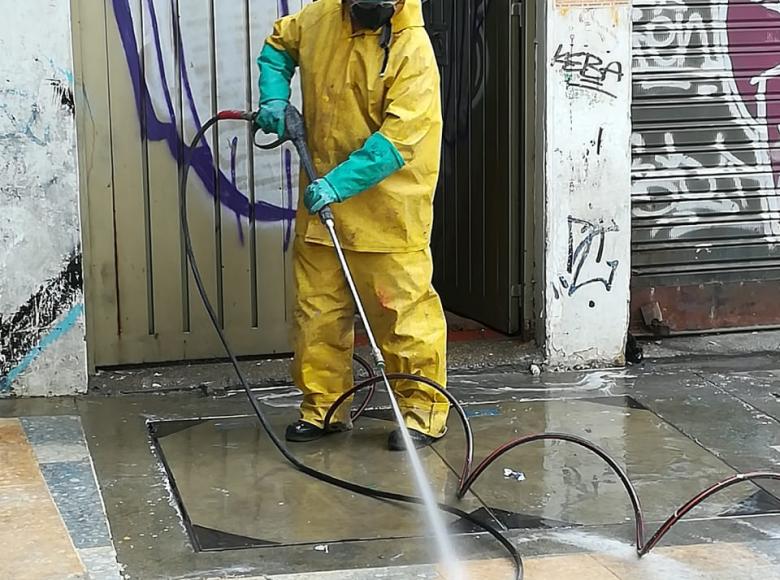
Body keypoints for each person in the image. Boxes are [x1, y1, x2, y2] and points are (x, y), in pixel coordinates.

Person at [256, 0, 448, 451]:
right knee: (318, 316)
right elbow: (279, 46)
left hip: (388, 213)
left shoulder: (411, 49)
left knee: (403, 317)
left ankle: (423, 412)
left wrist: (338, 185)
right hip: (322, 211)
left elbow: (397, 143)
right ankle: (323, 407)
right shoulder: (318, 18)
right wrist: (274, 96)